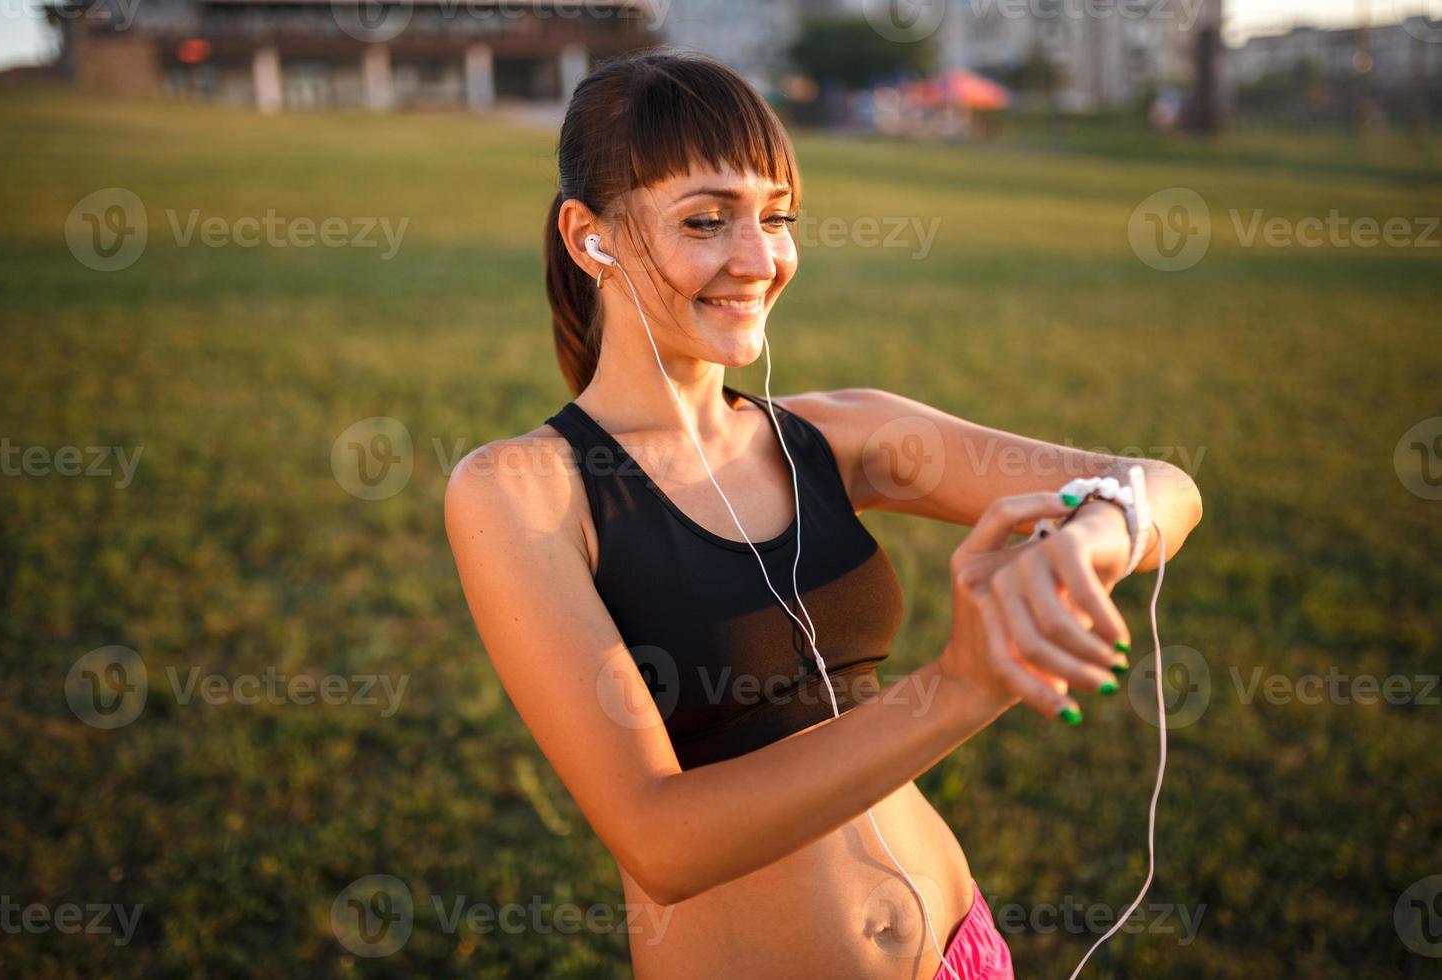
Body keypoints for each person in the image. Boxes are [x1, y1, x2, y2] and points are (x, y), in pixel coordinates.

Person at [443, 48, 1203, 980]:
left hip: (963, 953)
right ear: (589, 236)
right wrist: (962, 684)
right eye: (707, 220)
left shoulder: (839, 435)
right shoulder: (524, 490)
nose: (761, 260)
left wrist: (1088, 536)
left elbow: (1160, 483)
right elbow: (660, 842)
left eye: (776, 217)